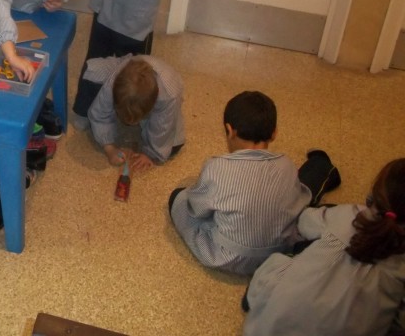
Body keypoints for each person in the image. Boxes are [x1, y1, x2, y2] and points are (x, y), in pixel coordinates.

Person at [168, 91, 341, 276]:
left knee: (178, 198)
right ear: (274, 133)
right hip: (280, 251)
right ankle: (322, 166)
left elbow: (197, 209)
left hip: (227, 257)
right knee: (300, 194)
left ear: (229, 130)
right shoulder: (286, 165)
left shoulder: (216, 168)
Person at [242, 158, 405, 336]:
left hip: (262, 328)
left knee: (278, 262)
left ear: (376, 193)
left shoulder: (351, 215)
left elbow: (305, 221)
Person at [71, 54, 184, 173]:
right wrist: (109, 148)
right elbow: (100, 113)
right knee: (93, 71)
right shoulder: (115, 80)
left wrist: (150, 154)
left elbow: (163, 128)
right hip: (130, 64)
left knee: (173, 145)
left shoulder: (169, 96)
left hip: (169, 88)